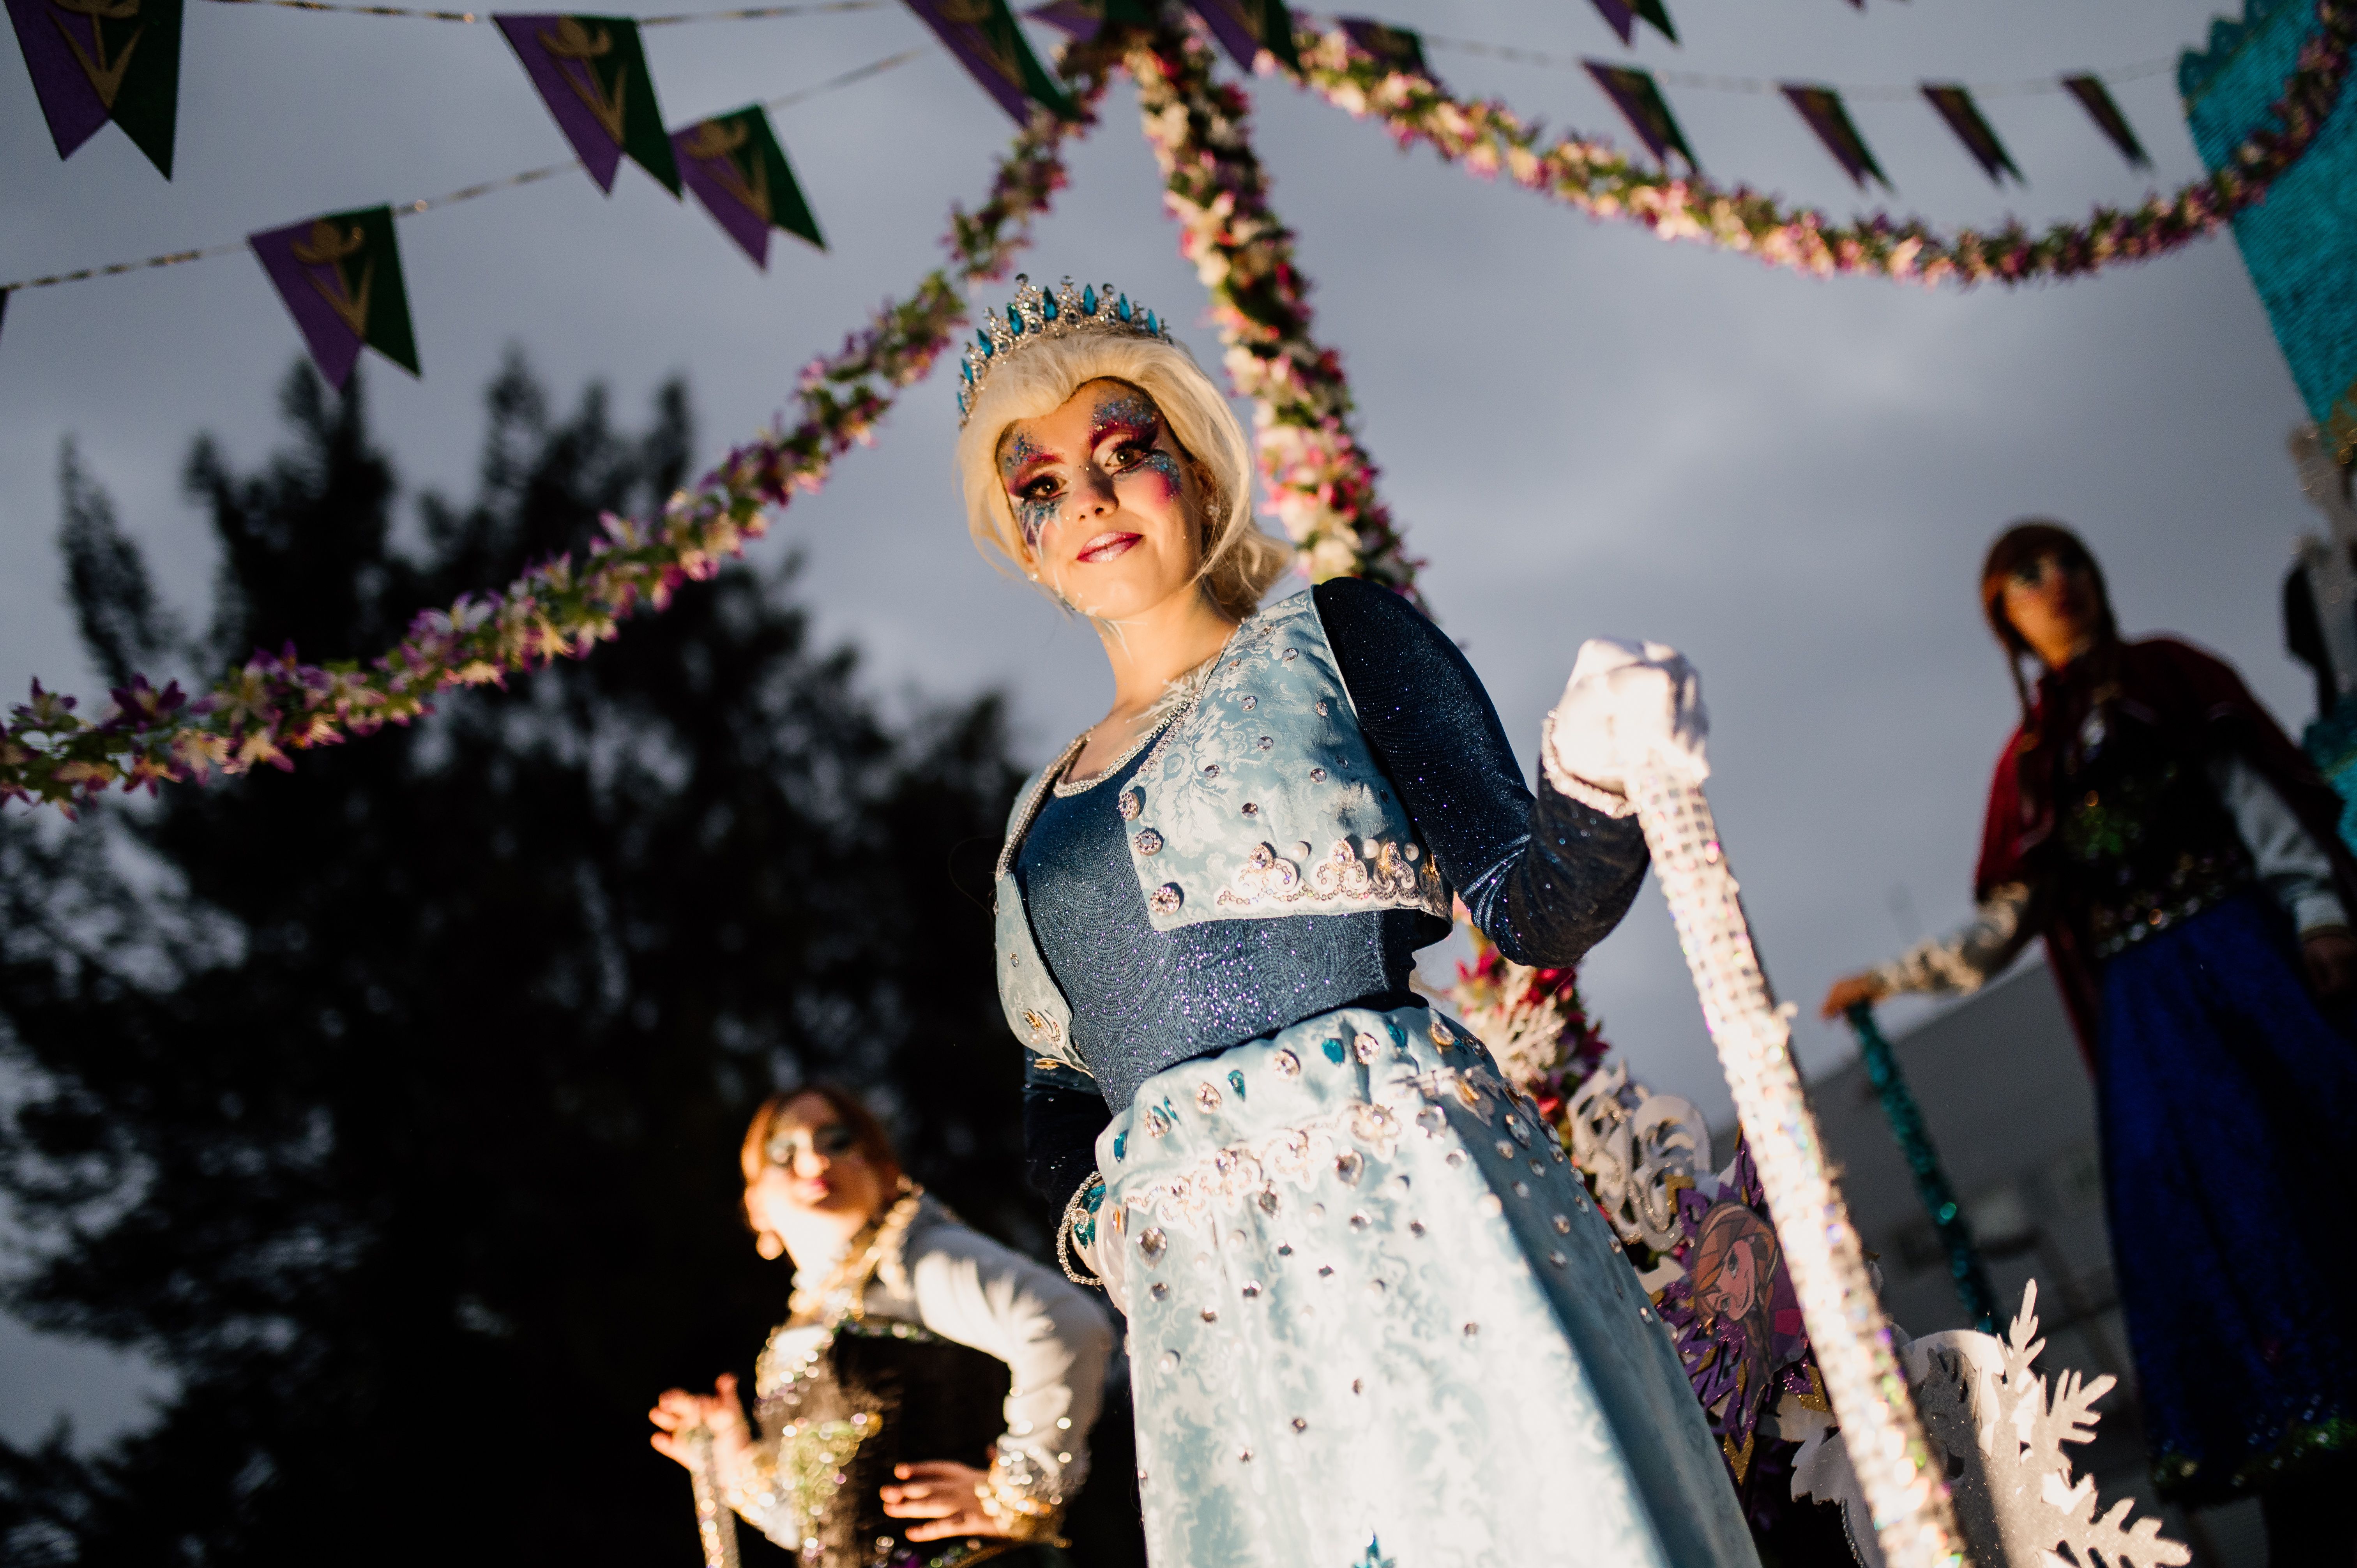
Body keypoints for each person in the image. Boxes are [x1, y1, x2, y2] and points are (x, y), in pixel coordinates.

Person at [954, 275, 1756, 1568]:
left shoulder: (1335, 638)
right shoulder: (1031, 821)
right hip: (1212, 1322)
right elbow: (1055, 1081)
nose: (1087, 497)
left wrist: (1598, 777)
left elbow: (1530, 902)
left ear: (1199, 475)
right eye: (1039, 482)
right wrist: (1109, 1222)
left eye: (1122, 452)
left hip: (1421, 1221)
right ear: (1024, 541)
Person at [1820, 521, 2357, 1564]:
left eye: (2063, 561)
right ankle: (2303, 1464)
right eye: (2024, 577)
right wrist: (1891, 978)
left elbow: (2260, 807)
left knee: (2315, 1168)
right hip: (2156, 1031)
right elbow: (2003, 924)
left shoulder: (2170, 677)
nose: (2053, 582)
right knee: (2209, 1226)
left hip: (2246, 972)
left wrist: (2319, 914)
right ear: (2004, 618)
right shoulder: (2030, 767)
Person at [648, 1085, 1115, 1568]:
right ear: (756, 1206)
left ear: (886, 1174)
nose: (813, 1161)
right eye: (783, 1152)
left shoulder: (912, 1260)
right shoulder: (795, 1336)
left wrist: (1020, 1491)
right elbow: (824, 1526)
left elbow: (1067, 1323)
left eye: (838, 1141)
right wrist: (734, 1459)